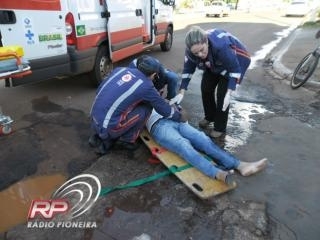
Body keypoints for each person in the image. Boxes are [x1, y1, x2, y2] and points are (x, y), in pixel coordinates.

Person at [89, 55, 186, 155]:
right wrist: (179, 117)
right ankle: (126, 140)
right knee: (147, 108)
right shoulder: (146, 86)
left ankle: (100, 135)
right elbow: (164, 110)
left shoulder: (120, 70)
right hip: (108, 128)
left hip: (93, 118)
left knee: (126, 104)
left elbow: (100, 90)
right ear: (153, 74)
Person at [170, 26, 251, 138]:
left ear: (206, 41)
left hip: (237, 60)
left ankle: (220, 127)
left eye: (201, 50)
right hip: (214, 62)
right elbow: (188, 70)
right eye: (196, 53)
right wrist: (182, 91)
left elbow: (235, 70)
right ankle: (210, 116)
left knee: (222, 96)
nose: (200, 55)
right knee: (206, 88)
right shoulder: (191, 52)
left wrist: (229, 91)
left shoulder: (221, 47)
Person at [146, 108, 268, 183]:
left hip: (175, 119)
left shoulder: (155, 93)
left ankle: (240, 165)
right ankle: (215, 173)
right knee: (183, 144)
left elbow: (180, 110)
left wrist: (179, 110)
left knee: (202, 138)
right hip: (158, 126)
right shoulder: (136, 98)